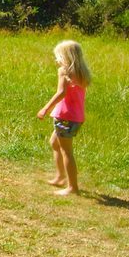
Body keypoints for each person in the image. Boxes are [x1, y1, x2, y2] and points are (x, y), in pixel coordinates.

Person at [36, 39, 91, 196]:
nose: (56, 59)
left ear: (66, 57)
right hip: (77, 117)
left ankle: (73, 188)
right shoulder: (82, 73)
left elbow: (61, 92)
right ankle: (60, 177)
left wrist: (45, 108)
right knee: (54, 143)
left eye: (58, 56)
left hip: (65, 116)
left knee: (67, 151)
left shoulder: (64, 70)